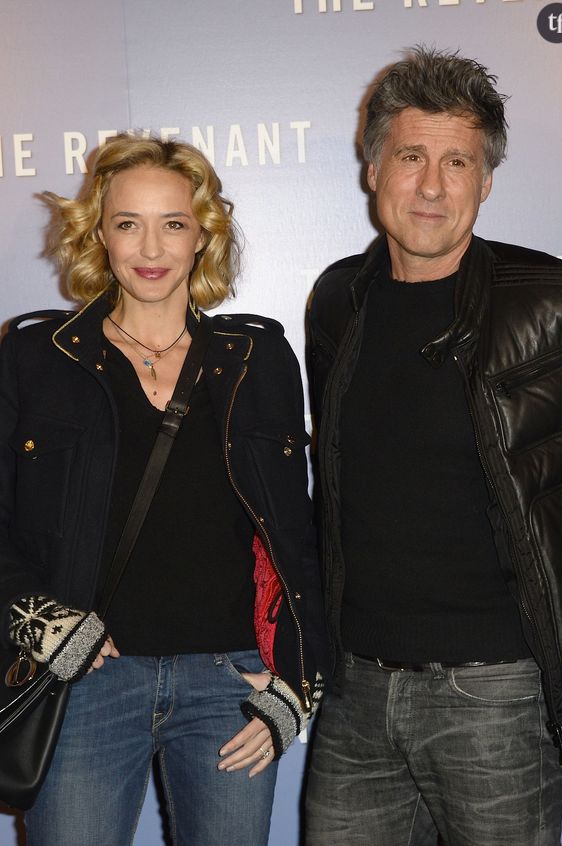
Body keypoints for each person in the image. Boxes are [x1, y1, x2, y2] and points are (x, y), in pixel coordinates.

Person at [0, 134, 327, 846]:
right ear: (99, 234)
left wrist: (298, 685)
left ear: (202, 235)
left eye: (173, 223)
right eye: (128, 223)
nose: (151, 246)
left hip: (229, 686)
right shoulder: (36, 358)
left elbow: (296, 536)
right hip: (84, 685)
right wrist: (42, 623)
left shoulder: (257, 359)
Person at [305, 46, 562, 846]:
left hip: (495, 696)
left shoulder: (557, 301)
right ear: (372, 169)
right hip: (355, 695)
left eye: (457, 161)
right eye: (411, 156)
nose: (431, 186)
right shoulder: (337, 302)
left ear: (485, 181)